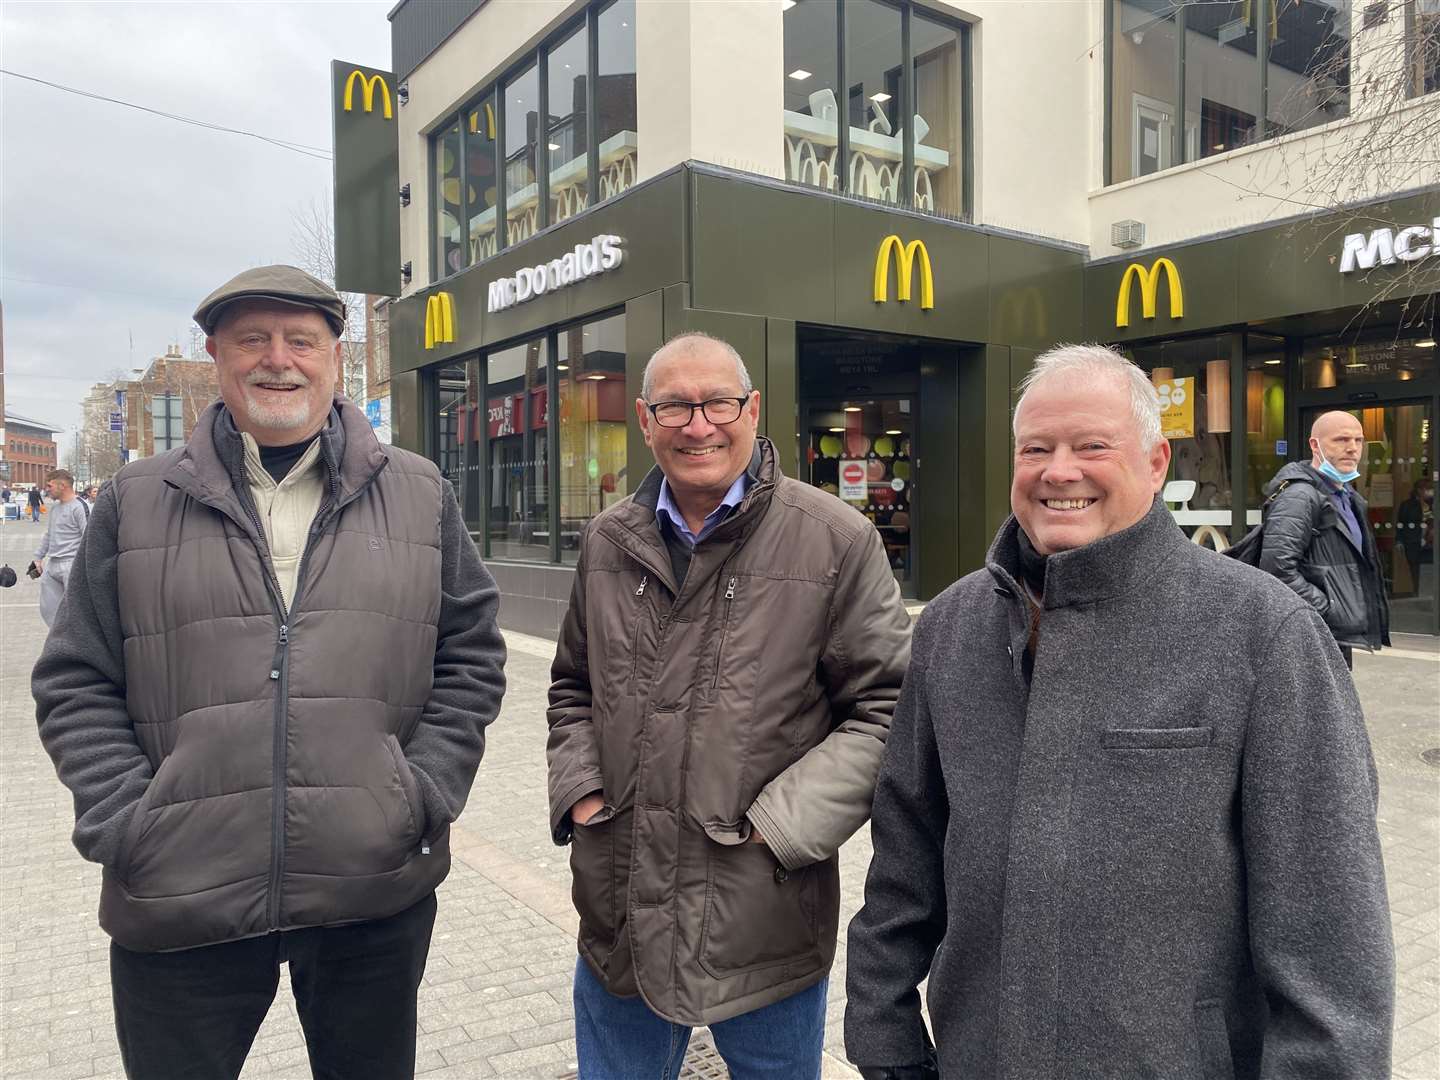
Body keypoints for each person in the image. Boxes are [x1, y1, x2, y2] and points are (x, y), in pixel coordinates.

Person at [845, 344, 1393, 1080]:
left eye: (1091, 446)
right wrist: (882, 1038)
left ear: (1157, 461)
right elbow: (904, 855)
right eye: (1036, 448)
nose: (1058, 471)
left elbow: (1331, 933)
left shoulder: (1264, 633)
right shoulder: (950, 627)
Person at [33, 265, 507, 1080]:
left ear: (335, 361)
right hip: (182, 893)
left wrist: (418, 795)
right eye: (253, 339)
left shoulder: (420, 493)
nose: (277, 360)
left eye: (301, 341)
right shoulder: (136, 500)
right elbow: (75, 677)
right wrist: (129, 822)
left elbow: (470, 653)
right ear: (216, 356)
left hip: (371, 888)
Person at [547, 331, 911, 1079]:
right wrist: (582, 793)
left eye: (716, 402)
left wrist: (779, 829)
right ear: (646, 421)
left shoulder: (835, 541)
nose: (697, 424)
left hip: (762, 912)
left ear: (752, 409)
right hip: (621, 908)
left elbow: (888, 708)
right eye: (675, 406)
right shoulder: (608, 541)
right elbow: (571, 688)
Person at [1258, 410, 1390, 667]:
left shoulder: (1349, 498)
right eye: (1341, 440)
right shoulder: (1299, 497)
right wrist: (1328, 608)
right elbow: (1276, 571)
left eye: (1358, 440)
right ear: (1314, 445)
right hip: (1311, 635)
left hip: (1335, 635)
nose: (1352, 448)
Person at [30, 468, 90, 626]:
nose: (47, 489)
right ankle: (58, 643)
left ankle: (79, 645)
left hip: (72, 564)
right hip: (53, 563)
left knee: (77, 611)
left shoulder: (79, 507)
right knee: (49, 609)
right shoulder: (55, 507)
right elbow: (49, 534)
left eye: (50, 486)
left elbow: (89, 538)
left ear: (62, 485)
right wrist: (38, 557)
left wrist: (85, 566)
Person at [1397, 479, 1433, 597]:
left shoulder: (1432, 504)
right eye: (1427, 489)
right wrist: (1399, 540)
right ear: (1419, 490)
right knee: (1415, 567)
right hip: (1412, 540)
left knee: (1429, 566)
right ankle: (1418, 591)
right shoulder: (1407, 505)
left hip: (1429, 541)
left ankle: (1428, 591)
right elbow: (1400, 523)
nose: (1429, 492)